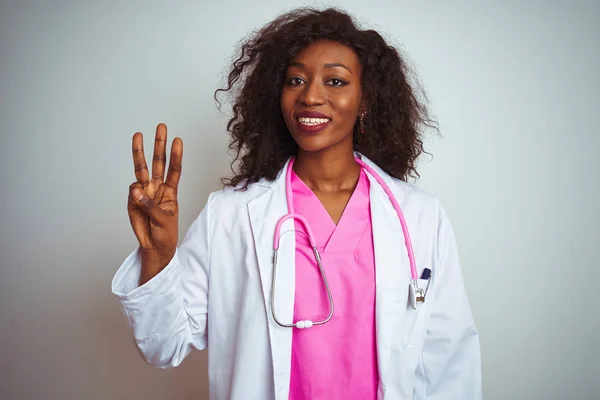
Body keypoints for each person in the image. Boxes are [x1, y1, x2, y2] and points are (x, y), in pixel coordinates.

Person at [112, 7, 482, 400]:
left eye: (335, 81)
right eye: (296, 80)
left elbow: (450, 362)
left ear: (366, 101)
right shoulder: (232, 214)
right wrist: (157, 256)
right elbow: (163, 346)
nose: (310, 96)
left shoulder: (419, 216)